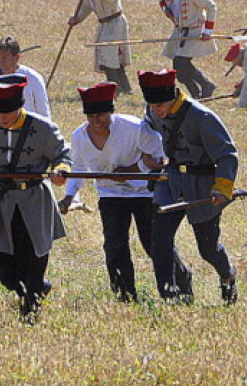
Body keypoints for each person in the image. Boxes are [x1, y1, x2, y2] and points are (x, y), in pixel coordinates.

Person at [0, 74, 70, 322]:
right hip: (2, 202)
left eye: (8, 111)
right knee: (5, 272)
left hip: (34, 203)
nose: (3, 116)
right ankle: (35, 289)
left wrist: (61, 170)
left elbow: (62, 154)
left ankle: (30, 308)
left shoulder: (43, 128)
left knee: (33, 259)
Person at [61, 82, 176, 302]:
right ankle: (125, 296)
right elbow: (78, 168)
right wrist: (70, 196)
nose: (96, 122)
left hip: (144, 192)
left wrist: (133, 170)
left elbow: (160, 157)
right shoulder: (79, 136)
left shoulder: (135, 129)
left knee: (154, 244)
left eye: (101, 116)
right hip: (110, 195)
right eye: (91, 116)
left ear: (110, 112)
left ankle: (175, 286)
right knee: (114, 245)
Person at [140, 69, 238, 305]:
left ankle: (227, 276)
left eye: (160, 104)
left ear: (174, 95)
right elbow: (147, 130)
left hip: (202, 185)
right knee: (159, 241)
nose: (156, 110)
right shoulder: (152, 111)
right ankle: (169, 295)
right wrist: (147, 156)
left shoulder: (202, 117)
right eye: (152, 105)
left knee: (208, 249)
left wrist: (221, 187)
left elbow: (227, 155)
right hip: (171, 181)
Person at [68, 0, 133, 94]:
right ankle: (124, 88)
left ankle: (116, 89)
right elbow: (87, 5)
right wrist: (77, 18)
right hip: (104, 24)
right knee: (109, 57)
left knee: (110, 57)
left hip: (115, 22)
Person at [158, 0, 218, 99]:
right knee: (178, 71)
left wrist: (208, 31)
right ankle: (196, 94)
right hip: (179, 29)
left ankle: (207, 84)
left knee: (181, 62)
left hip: (194, 29)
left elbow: (211, 7)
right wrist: (165, 9)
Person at [0, 36, 50, 119]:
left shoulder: (33, 78)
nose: (1, 62)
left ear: (17, 57)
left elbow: (43, 111)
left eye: (4, 58)